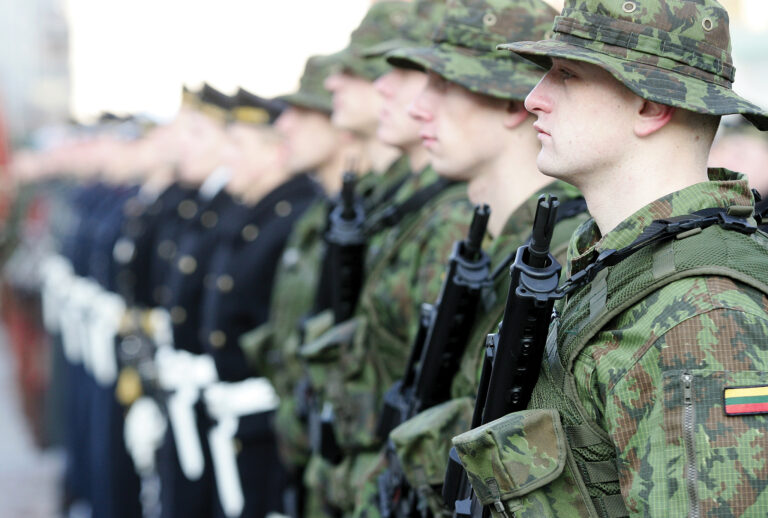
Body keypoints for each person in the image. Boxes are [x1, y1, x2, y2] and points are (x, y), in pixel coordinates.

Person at [451, 0, 768, 516]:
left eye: (567, 75)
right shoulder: (618, 267)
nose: (534, 99)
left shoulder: (701, 319)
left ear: (650, 105)